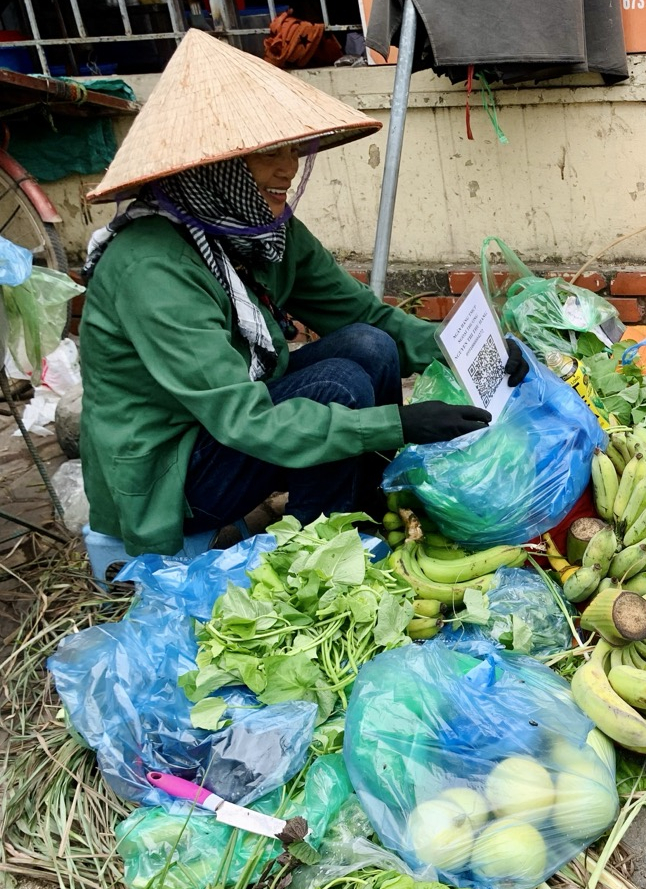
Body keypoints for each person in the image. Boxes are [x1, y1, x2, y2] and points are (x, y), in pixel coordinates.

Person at [78, 30, 527, 556]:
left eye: (291, 148)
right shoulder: (152, 267)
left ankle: (362, 509)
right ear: (210, 165)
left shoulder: (262, 232)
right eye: (266, 152)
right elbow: (243, 419)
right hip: (170, 472)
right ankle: (318, 555)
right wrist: (397, 423)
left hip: (223, 437)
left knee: (367, 346)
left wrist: (471, 352)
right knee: (337, 387)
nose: (288, 167)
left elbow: (365, 316)